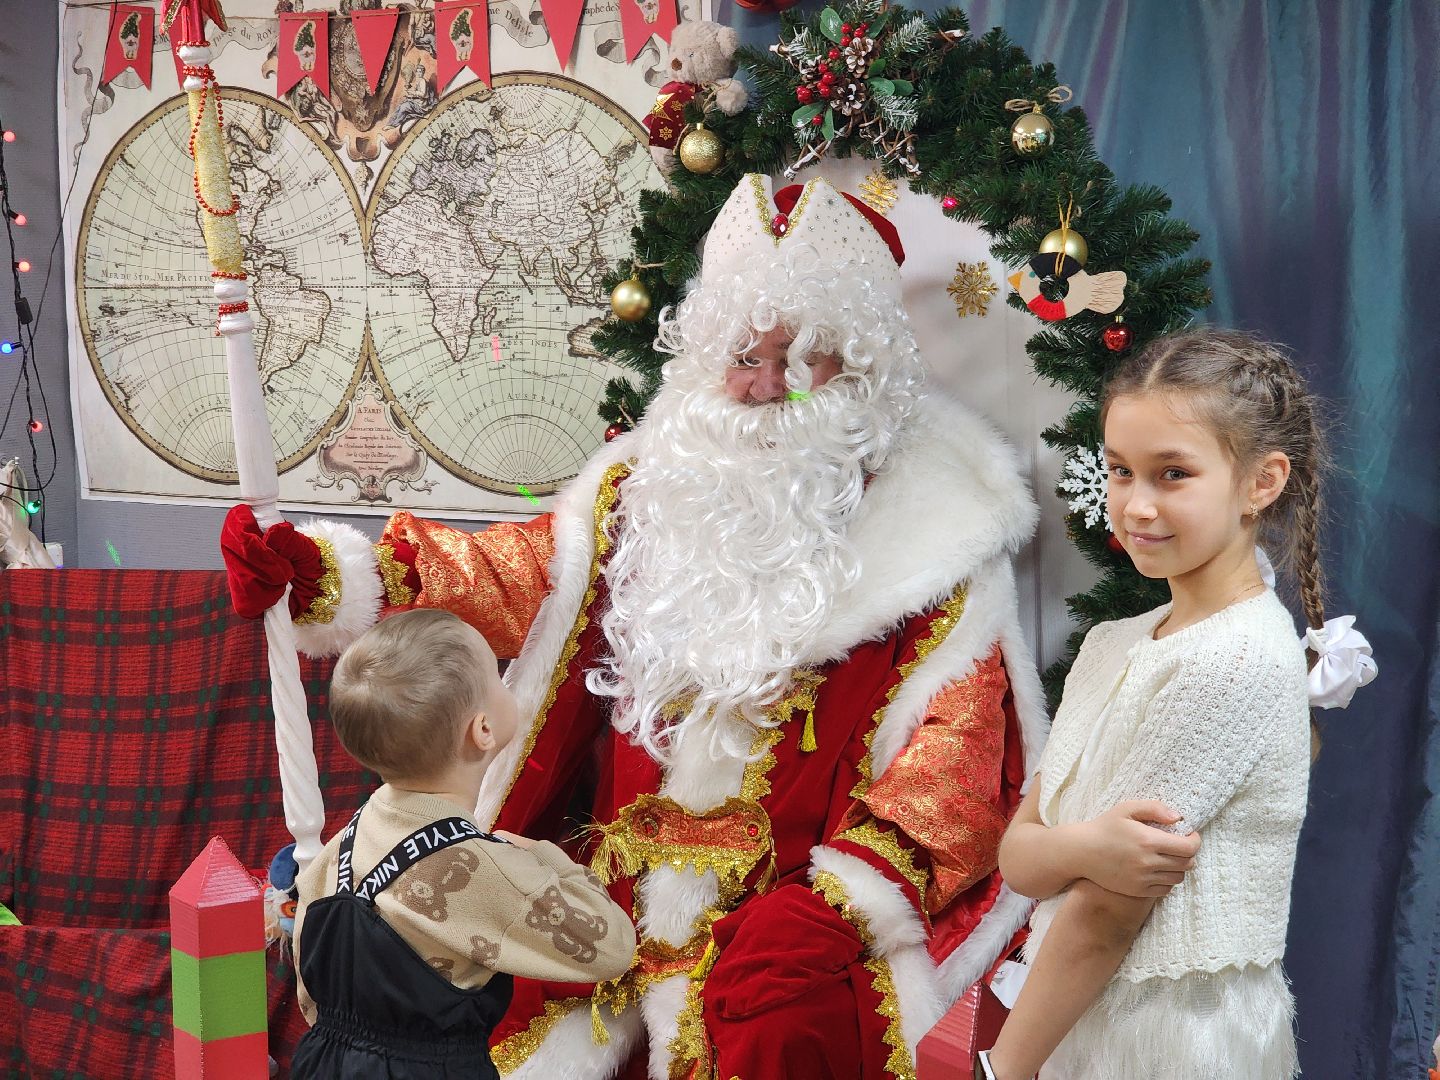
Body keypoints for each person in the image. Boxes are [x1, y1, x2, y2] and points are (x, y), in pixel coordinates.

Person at [224, 173, 1048, 1078]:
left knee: (786, 1032)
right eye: (743, 353)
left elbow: (958, 767)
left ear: (858, 367)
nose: (764, 386)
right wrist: (330, 574)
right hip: (590, 910)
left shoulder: (937, 538)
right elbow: (514, 577)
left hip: (787, 920)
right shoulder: (641, 489)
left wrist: (834, 905)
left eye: (801, 357)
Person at [978, 329, 1374, 1080]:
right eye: (1122, 471)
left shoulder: (1235, 657)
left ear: (1262, 483)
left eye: (1173, 475)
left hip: (1171, 1040)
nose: (1137, 506)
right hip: (1073, 1016)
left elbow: (1105, 914)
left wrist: (1003, 1070)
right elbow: (1022, 857)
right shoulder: (1113, 644)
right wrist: (1079, 848)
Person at [289, 608, 637, 1079]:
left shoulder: (345, 841)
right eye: (496, 674)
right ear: (483, 730)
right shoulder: (484, 870)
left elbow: (310, 991)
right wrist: (544, 857)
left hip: (323, 1063)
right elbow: (612, 947)